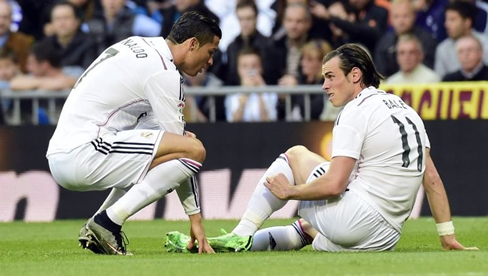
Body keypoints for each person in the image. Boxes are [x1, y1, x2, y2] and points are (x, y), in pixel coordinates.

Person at [165, 43, 478, 253]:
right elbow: (432, 179)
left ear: (355, 75)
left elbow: (333, 185)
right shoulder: (406, 109)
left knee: (297, 155)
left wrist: (289, 192)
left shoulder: (355, 111)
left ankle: (242, 232)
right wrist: (446, 235)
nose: (325, 85)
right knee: (308, 227)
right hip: (385, 238)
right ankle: (224, 245)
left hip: (356, 222)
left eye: (331, 77)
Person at [46, 11, 221, 255]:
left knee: (175, 147)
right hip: (85, 151)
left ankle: (98, 223)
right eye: (210, 52)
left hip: (63, 152)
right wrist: (195, 218)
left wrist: (179, 141)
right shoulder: (163, 71)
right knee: (193, 148)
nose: (210, 61)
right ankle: (107, 223)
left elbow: (169, 144)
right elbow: (187, 153)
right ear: (192, 44)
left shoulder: (138, 44)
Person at [374, 0, 437, 78]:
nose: (401, 21)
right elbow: (380, 75)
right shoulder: (384, 44)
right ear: (391, 19)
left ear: (414, 16)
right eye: (396, 16)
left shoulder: (427, 41)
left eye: (405, 16)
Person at [434, 1, 488, 78]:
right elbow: (439, 81)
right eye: (446, 20)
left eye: (452, 19)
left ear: (467, 22)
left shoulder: (486, 43)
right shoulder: (442, 49)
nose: (446, 24)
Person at [225, 47, 278, 122]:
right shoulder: (232, 94)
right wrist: (245, 94)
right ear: (238, 69)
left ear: (261, 68)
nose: (250, 70)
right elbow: (233, 123)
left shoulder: (271, 93)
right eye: (245, 66)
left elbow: (268, 122)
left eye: (254, 66)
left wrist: (261, 92)